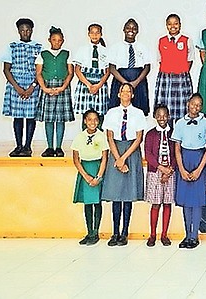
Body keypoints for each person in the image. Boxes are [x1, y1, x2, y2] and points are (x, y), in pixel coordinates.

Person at [101, 83, 146, 247]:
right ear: (119, 94)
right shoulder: (112, 113)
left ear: (132, 95)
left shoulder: (139, 113)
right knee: (116, 195)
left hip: (131, 152)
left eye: (129, 91)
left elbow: (139, 138)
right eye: (123, 91)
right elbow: (110, 137)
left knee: (127, 195)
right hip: (116, 151)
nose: (126, 93)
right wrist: (118, 159)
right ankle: (115, 232)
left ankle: (125, 232)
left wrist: (124, 158)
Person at [172, 93, 206, 249]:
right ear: (188, 104)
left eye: (199, 105)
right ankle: (187, 235)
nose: (196, 107)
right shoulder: (180, 123)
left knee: (196, 201)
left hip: (199, 160)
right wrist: (181, 169)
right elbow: (177, 148)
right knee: (186, 201)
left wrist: (199, 170)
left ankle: (194, 235)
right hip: (184, 159)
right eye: (193, 104)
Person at [2, 18, 42, 157]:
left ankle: (27, 146)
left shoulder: (38, 47)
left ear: (32, 30)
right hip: (15, 84)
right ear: (18, 31)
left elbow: (41, 70)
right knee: (18, 117)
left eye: (28, 30)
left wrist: (32, 86)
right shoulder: (11, 46)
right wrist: (17, 88)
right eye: (22, 30)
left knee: (31, 116)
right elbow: (6, 69)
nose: (25, 33)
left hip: (32, 84)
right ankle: (18, 145)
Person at [35, 26, 75, 157]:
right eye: (54, 40)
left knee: (60, 118)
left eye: (59, 40)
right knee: (49, 119)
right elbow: (39, 73)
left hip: (62, 87)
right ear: (49, 40)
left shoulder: (67, 54)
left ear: (62, 41)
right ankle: (50, 147)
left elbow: (70, 73)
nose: (56, 42)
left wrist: (63, 87)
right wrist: (45, 88)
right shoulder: (43, 55)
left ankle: (59, 147)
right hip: (47, 86)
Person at [71, 109, 108, 246]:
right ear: (85, 121)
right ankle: (89, 231)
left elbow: (104, 158)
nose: (92, 122)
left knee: (96, 202)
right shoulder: (79, 137)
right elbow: (76, 159)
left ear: (98, 122)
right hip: (85, 170)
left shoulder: (102, 136)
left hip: (97, 169)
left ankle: (95, 232)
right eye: (89, 119)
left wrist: (98, 176)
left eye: (95, 119)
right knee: (87, 202)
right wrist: (86, 176)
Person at [144, 104, 177, 247]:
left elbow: (177, 153)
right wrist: (161, 168)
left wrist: (169, 169)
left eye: (164, 115)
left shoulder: (174, 133)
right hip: (155, 172)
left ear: (168, 117)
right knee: (156, 203)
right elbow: (148, 154)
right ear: (155, 117)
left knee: (167, 203)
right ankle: (152, 234)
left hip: (170, 172)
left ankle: (164, 234)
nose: (162, 118)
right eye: (159, 115)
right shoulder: (150, 134)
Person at [154, 14, 194, 125]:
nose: (173, 26)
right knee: (165, 108)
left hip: (181, 78)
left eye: (176, 23)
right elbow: (160, 60)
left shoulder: (186, 40)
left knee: (182, 108)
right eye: (170, 24)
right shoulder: (161, 41)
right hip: (165, 78)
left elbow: (190, 60)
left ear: (180, 25)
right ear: (166, 25)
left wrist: (181, 72)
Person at [108, 18, 153, 116]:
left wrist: (135, 83)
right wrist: (125, 84)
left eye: (134, 28)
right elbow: (111, 68)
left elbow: (147, 67)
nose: (131, 31)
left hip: (138, 82)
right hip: (120, 81)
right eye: (128, 28)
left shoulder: (143, 47)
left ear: (137, 31)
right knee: (118, 112)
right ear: (123, 30)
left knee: (139, 112)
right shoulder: (115, 47)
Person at [72, 23, 110, 126]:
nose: (94, 35)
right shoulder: (82, 49)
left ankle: (99, 139)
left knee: (100, 114)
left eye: (97, 33)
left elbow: (107, 71)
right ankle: (85, 140)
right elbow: (77, 70)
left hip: (100, 84)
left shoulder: (105, 51)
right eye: (92, 33)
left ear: (101, 34)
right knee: (86, 114)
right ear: (88, 34)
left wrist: (98, 85)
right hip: (85, 83)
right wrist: (89, 85)